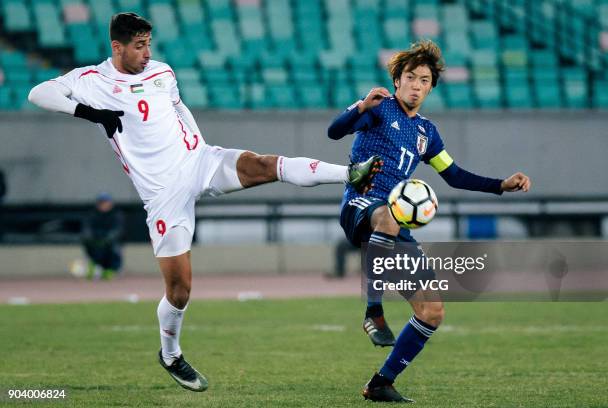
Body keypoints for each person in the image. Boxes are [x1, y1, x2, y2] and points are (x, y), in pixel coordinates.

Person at [28, 12, 380, 393]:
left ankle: (349, 173)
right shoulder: (91, 80)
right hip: (163, 195)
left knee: (263, 164)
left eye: (149, 44)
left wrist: (198, 143)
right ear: (117, 47)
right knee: (180, 290)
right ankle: (170, 353)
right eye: (139, 45)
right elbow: (39, 93)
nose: (147, 53)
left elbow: (178, 107)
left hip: (199, 162)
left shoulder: (162, 72)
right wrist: (90, 113)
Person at [327, 40, 531, 402]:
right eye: (410, 77)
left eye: (424, 80)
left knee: (432, 310)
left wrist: (501, 185)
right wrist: (360, 105)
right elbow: (334, 131)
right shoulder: (378, 110)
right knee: (388, 217)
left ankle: (381, 383)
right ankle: (373, 311)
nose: (416, 85)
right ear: (397, 81)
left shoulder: (427, 133)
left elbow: (453, 175)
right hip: (360, 205)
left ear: (431, 87)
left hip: (393, 223)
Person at [82, 192, 123, 280]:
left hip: (109, 242)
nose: (104, 205)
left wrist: (108, 239)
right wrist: (91, 238)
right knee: (90, 246)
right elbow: (87, 229)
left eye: (106, 203)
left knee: (114, 250)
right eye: (101, 203)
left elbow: (118, 230)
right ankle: (92, 267)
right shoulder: (92, 214)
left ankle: (109, 270)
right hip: (95, 240)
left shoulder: (116, 215)